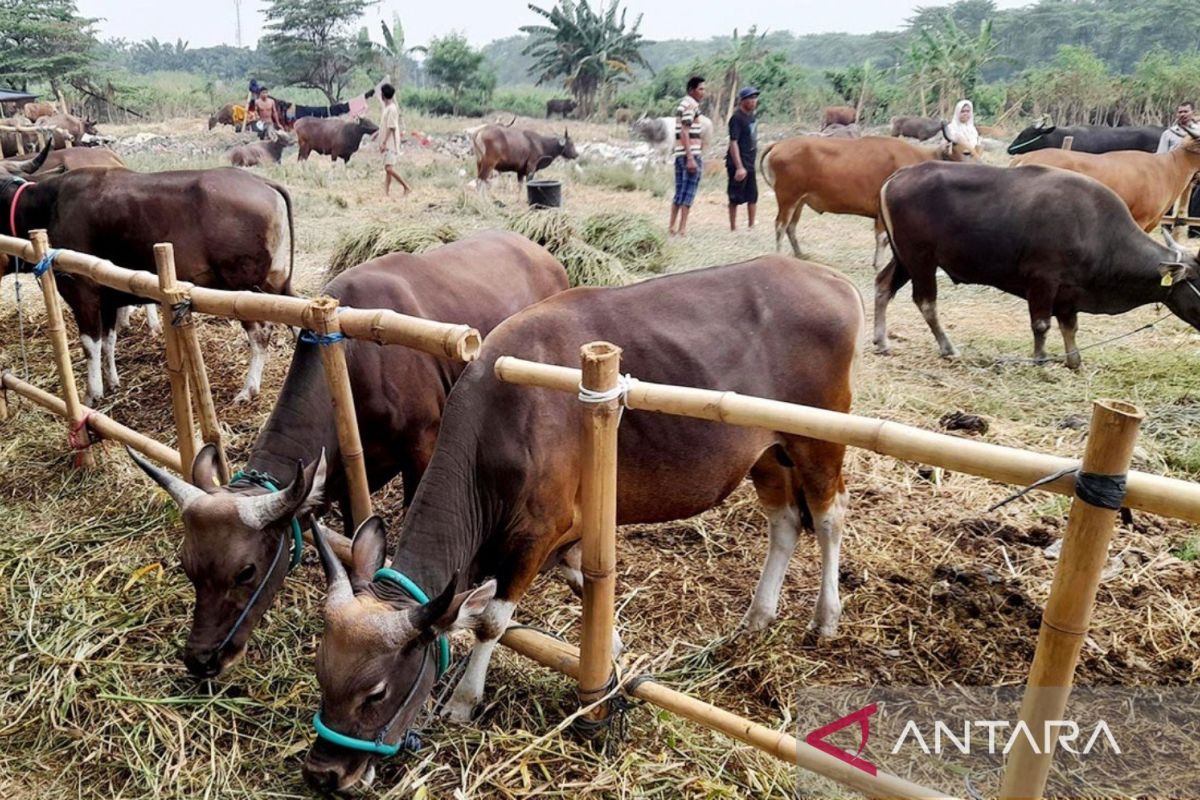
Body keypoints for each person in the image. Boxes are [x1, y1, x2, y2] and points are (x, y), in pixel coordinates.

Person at [669, 76, 706, 237]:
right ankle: (682, 228)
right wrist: (691, 158)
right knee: (688, 192)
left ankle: (672, 227)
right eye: (700, 89)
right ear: (692, 90)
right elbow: (685, 131)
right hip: (689, 154)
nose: (703, 92)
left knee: (679, 191)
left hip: (680, 154)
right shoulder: (691, 105)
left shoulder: (683, 104)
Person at [726, 86, 760, 231]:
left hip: (750, 160)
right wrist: (739, 166)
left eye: (755, 98)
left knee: (752, 195)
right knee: (735, 196)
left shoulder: (752, 117)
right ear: (743, 101)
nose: (753, 101)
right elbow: (733, 142)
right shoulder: (736, 118)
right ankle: (733, 227)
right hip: (738, 161)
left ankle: (751, 226)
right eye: (750, 98)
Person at [377, 83, 411, 197]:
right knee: (388, 169)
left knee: (389, 168)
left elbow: (391, 127)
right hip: (387, 142)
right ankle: (385, 193)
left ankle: (406, 187)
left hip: (390, 143)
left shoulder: (392, 109)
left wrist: (384, 142)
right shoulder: (387, 108)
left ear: (383, 95)